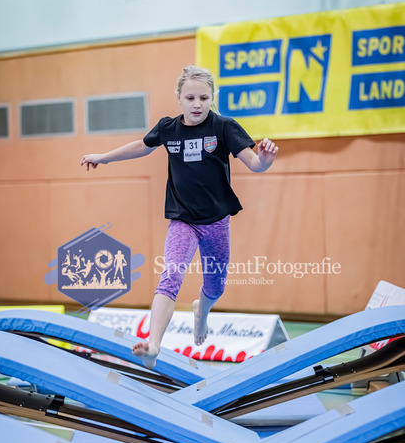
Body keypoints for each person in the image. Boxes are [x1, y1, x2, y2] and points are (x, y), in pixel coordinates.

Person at [81, 65, 278, 368]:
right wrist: (104, 158)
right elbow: (141, 146)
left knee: (215, 287)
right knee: (170, 277)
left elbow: (254, 163)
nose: (197, 104)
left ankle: (202, 312)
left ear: (213, 97)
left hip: (215, 222)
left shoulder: (224, 127)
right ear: (178, 97)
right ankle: (153, 345)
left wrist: (264, 160)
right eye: (190, 98)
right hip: (183, 219)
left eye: (204, 98)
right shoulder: (168, 128)